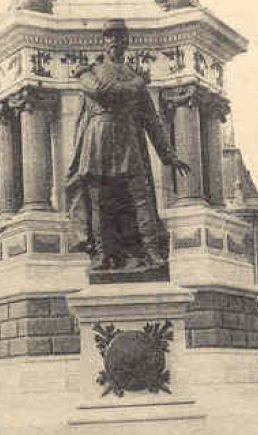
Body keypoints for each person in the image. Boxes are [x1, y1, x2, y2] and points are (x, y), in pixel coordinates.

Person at [66, 19, 190, 272]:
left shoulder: (131, 76)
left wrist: (169, 155)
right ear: (104, 41)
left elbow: (151, 119)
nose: (114, 41)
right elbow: (102, 92)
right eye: (109, 36)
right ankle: (102, 255)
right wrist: (137, 85)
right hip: (98, 140)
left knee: (141, 199)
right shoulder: (90, 73)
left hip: (128, 141)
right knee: (100, 202)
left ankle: (152, 252)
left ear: (126, 42)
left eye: (119, 37)